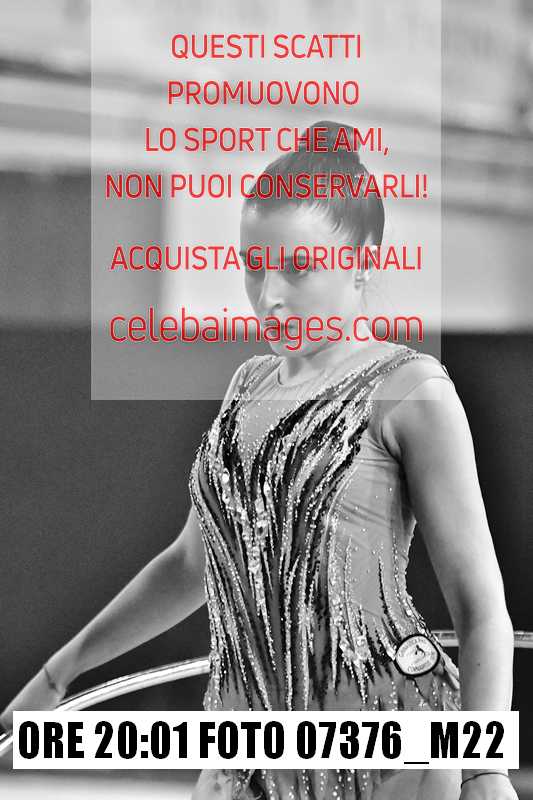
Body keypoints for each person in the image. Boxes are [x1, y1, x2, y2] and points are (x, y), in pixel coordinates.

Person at [1, 121, 517, 800]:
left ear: (362, 259)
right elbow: (192, 565)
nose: (269, 294)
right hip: (246, 749)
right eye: (252, 266)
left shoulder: (411, 392)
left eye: (297, 269)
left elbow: (480, 604)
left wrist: (482, 766)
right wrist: (58, 674)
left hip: (390, 740)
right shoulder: (246, 386)